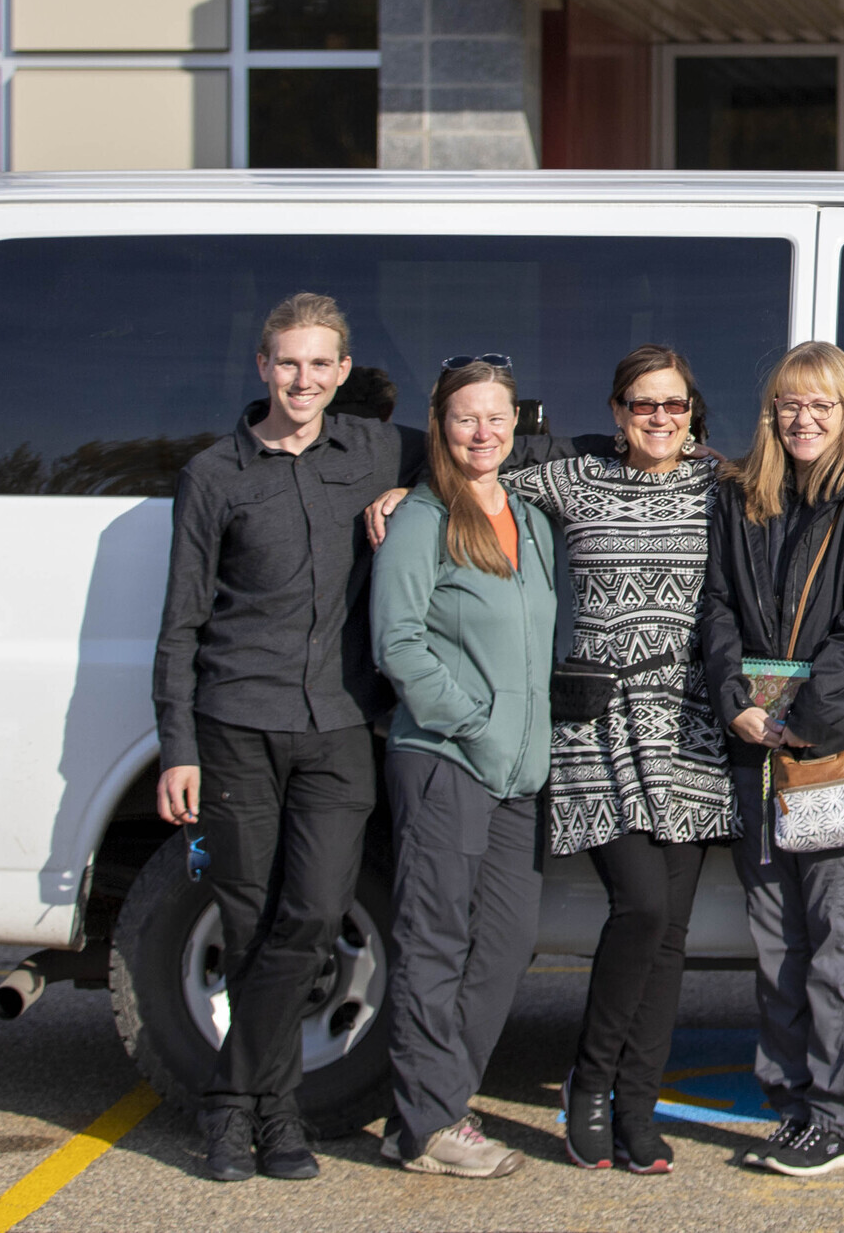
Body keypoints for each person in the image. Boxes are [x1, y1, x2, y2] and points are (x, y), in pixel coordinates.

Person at [152, 292, 423, 1183]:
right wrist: (178, 745)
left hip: (341, 725)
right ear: (262, 367)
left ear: (345, 372)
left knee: (311, 910)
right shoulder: (214, 474)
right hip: (236, 723)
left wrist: (412, 490)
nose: (303, 379)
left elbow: (481, 448)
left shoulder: (377, 448)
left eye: (320, 364)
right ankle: (270, 1119)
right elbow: (181, 624)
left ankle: (230, 1099)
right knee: (249, 914)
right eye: (288, 362)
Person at [501, 345, 733, 1176]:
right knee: (636, 905)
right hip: (598, 723)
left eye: (674, 405)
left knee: (670, 932)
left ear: (693, 413)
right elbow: (476, 472)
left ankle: (639, 1104)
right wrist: (398, 490)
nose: (660, 419)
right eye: (644, 405)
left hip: (691, 727)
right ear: (616, 411)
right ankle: (588, 1085)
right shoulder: (574, 481)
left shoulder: (720, 488)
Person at [699, 341, 844, 1178]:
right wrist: (734, 703)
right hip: (756, 753)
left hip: (836, 755)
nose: (804, 419)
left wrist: (806, 721)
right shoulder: (742, 495)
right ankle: (790, 1104)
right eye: (789, 404)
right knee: (777, 943)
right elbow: (713, 606)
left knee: (836, 941)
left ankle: (841, 1115)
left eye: (821, 404)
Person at [372, 357, 556, 1179]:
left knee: (509, 941)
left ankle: (432, 1103)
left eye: (497, 417)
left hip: (520, 771)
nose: (483, 432)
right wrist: (476, 721)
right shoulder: (420, 516)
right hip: (447, 757)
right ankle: (428, 1123)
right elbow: (398, 643)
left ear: (517, 422)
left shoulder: (530, 515)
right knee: (434, 940)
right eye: (465, 418)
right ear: (440, 427)